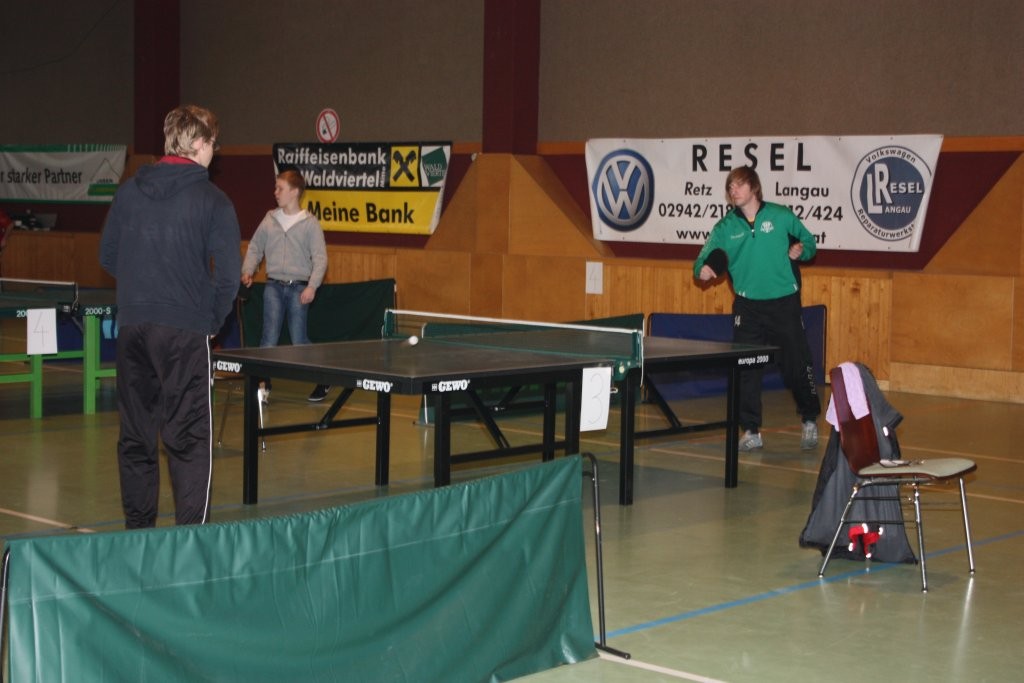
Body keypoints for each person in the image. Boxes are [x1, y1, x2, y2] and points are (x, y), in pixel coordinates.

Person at [100, 104, 241, 528]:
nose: (215, 151)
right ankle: (190, 540)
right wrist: (211, 322)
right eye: (213, 143)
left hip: (133, 327)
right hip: (184, 332)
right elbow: (228, 277)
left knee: (136, 436)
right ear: (198, 143)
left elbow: (108, 256)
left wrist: (144, 289)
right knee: (189, 437)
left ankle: (139, 533)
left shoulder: (128, 191)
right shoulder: (213, 200)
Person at [693, 165, 821, 451]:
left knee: (797, 365)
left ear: (754, 188)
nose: (733, 190)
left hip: (784, 304)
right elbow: (701, 261)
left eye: (738, 185)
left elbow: (810, 243)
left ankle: (809, 419)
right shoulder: (725, 228)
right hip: (747, 308)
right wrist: (703, 270)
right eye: (730, 187)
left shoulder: (781, 216)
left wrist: (802, 250)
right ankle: (751, 430)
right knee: (746, 370)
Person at [241, 168, 329, 402]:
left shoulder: (310, 223)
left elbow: (320, 258)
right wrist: (248, 269)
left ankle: (324, 377)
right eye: (275, 188)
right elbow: (255, 246)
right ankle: (263, 386)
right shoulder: (270, 219)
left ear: (294, 192)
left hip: (299, 288)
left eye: (280, 188)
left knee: (299, 340)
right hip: (273, 287)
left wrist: (312, 286)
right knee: (268, 339)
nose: (275, 192)